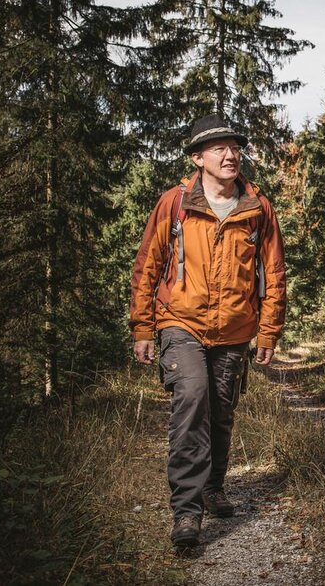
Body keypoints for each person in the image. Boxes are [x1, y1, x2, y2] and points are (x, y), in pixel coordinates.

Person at [129, 114, 286, 547]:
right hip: (181, 321)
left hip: (234, 328)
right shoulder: (174, 203)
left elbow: (274, 273)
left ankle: (214, 486)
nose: (230, 154)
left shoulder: (257, 208)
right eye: (219, 148)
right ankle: (187, 511)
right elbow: (147, 265)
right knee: (192, 400)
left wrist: (268, 331)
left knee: (220, 411)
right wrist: (143, 326)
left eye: (234, 147)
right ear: (198, 158)